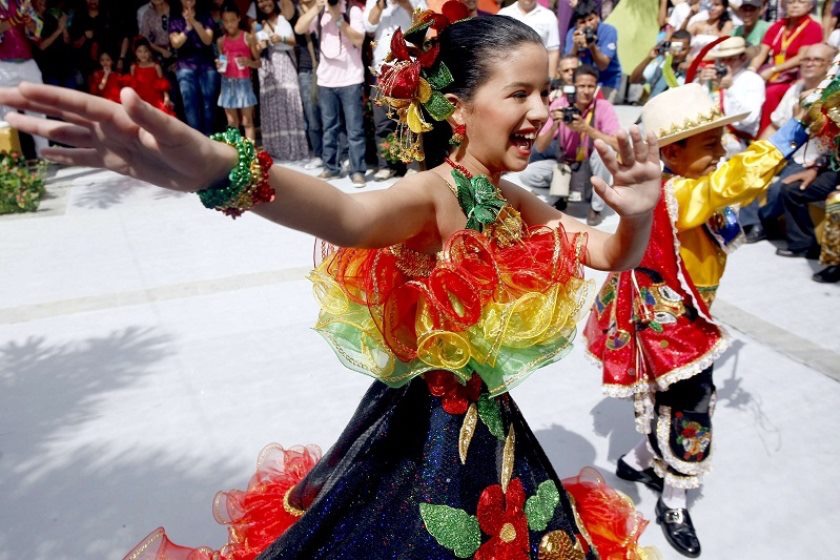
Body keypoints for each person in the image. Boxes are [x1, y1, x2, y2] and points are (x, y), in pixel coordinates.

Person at [0, 9, 665, 559]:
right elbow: (348, 216)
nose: (541, 110)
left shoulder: (516, 200)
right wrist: (219, 169)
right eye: (519, 93)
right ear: (458, 108)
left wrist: (635, 214)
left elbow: (607, 251)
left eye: (545, 92)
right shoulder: (432, 193)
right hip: (418, 431)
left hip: (490, 428)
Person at [584, 82, 811, 558]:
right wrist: (791, 135)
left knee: (659, 395)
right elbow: (730, 184)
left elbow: (730, 193)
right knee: (691, 407)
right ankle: (674, 499)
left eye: (723, 140)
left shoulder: (688, 191)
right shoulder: (679, 194)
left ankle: (640, 456)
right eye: (710, 143)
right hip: (667, 321)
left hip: (668, 312)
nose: (722, 151)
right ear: (674, 151)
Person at [741, 42, 837, 243]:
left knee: (780, 188)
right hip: (786, 149)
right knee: (750, 170)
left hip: (811, 159)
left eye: (817, 60)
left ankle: (763, 223)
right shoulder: (796, 88)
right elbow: (776, 125)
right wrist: (756, 151)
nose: (809, 64)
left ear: (829, 65)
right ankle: (751, 222)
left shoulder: (833, 95)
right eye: (806, 58)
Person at [521, 64, 620, 226]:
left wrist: (587, 129)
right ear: (573, 87)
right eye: (581, 86)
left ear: (595, 88)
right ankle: (561, 194)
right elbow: (539, 147)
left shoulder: (603, 107)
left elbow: (617, 144)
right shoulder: (560, 104)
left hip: (590, 168)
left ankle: (596, 207)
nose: (586, 91)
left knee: (604, 150)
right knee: (529, 174)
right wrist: (554, 125)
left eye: (590, 86)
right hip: (566, 166)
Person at [295, 0, 367, 187]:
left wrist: (338, 20)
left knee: (354, 130)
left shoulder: (352, 11)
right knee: (329, 127)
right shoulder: (319, 12)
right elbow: (299, 28)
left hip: (350, 78)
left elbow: (358, 39)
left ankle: (357, 170)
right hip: (326, 79)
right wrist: (317, 8)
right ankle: (331, 167)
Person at [364, 0, 426, 181]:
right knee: (383, 122)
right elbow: (369, 26)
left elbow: (424, 23)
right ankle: (386, 166)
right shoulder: (374, 2)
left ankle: (413, 166)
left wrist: (406, 4)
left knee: (409, 121)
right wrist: (379, 5)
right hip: (382, 69)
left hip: (407, 68)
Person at [749, 0, 823, 134]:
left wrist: (773, 70)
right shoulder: (778, 26)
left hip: (795, 76)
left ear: (810, 6)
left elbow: (802, 57)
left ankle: (763, 135)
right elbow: (762, 52)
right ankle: (746, 131)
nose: (795, 5)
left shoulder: (813, 27)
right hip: (773, 73)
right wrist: (752, 70)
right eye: (790, 2)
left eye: (800, 2)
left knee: (771, 92)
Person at [254, 0, 309, 162]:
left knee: (289, 105)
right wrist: (258, 47)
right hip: (267, 68)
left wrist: (280, 39)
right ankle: (275, 151)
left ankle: (293, 149)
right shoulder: (258, 25)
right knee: (271, 109)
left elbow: (293, 41)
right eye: (260, 2)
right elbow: (255, 52)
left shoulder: (282, 19)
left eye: (266, 0)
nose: (264, 4)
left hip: (285, 65)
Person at [701, 36, 765, 157]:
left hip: (737, 140)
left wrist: (729, 89)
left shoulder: (753, 80)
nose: (725, 63)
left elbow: (748, 118)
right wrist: (700, 83)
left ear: (743, 58)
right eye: (722, 60)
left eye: (730, 59)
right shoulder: (714, 78)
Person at [0, 0, 49, 157]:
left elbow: (37, 32)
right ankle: (12, 163)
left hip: (28, 62)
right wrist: (18, 16)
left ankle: (45, 156)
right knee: (7, 115)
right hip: (4, 65)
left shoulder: (20, 2)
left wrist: (28, 18)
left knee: (38, 110)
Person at [168, 0, 220, 135]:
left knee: (209, 104)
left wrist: (195, 23)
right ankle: (197, 141)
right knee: (190, 104)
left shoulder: (205, 16)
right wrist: (187, 28)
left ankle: (209, 139)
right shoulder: (175, 18)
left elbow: (208, 40)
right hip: (185, 65)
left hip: (206, 64)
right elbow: (175, 43)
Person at [216, 2, 259, 141]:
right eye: (226, 21)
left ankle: (249, 156)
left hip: (244, 83)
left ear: (239, 18)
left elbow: (259, 62)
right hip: (227, 84)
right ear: (222, 21)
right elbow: (222, 65)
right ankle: (234, 155)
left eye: (233, 20)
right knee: (232, 123)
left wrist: (249, 62)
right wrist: (219, 66)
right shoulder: (221, 41)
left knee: (247, 122)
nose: (230, 25)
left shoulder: (247, 37)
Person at [564, 0, 622, 101]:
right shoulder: (572, 34)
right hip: (583, 81)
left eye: (591, 20)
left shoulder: (608, 31)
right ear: (576, 25)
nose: (588, 25)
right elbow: (568, 63)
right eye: (582, 22)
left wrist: (592, 47)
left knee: (599, 110)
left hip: (606, 80)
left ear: (597, 17)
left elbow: (603, 65)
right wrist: (575, 47)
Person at [289, 0, 323, 168]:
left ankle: (338, 154)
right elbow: (297, 27)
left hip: (330, 67)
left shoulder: (326, 6)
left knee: (332, 115)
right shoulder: (294, 10)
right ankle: (318, 153)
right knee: (312, 115)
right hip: (307, 69)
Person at [498, 0, 560, 79]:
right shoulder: (504, 14)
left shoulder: (549, 16)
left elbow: (553, 51)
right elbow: (498, 48)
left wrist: (551, 78)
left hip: (538, 73)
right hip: (510, 72)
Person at [628, 29, 691, 102]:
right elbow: (634, 80)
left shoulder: (694, 70)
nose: (677, 53)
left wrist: (693, 69)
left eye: (682, 49)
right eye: (675, 48)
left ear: (689, 49)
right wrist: (648, 59)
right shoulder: (659, 67)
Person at [130, 38, 176, 116]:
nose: (143, 54)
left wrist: (166, 97)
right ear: (135, 53)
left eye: (145, 51)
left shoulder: (156, 66)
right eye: (139, 51)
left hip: (155, 98)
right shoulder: (133, 67)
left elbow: (162, 83)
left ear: (150, 52)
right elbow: (132, 85)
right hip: (141, 98)